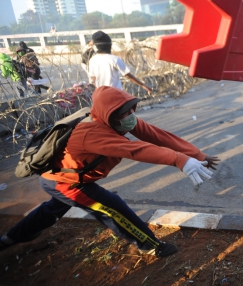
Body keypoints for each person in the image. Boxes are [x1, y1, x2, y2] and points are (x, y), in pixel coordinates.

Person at [0, 86, 221, 257]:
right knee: (112, 207)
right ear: (109, 114)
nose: (132, 115)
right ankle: (150, 246)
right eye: (125, 112)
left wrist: (196, 155)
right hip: (66, 183)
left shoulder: (117, 120)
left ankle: (11, 237)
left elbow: (156, 135)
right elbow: (136, 149)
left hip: (61, 178)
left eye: (132, 109)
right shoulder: (92, 133)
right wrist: (180, 160)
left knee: (53, 209)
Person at [87, 31, 152, 94]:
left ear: (96, 47)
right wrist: (143, 85)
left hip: (101, 93)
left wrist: (97, 92)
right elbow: (128, 75)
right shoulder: (114, 59)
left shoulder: (92, 60)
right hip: (115, 94)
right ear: (110, 46)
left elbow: (95, 78)